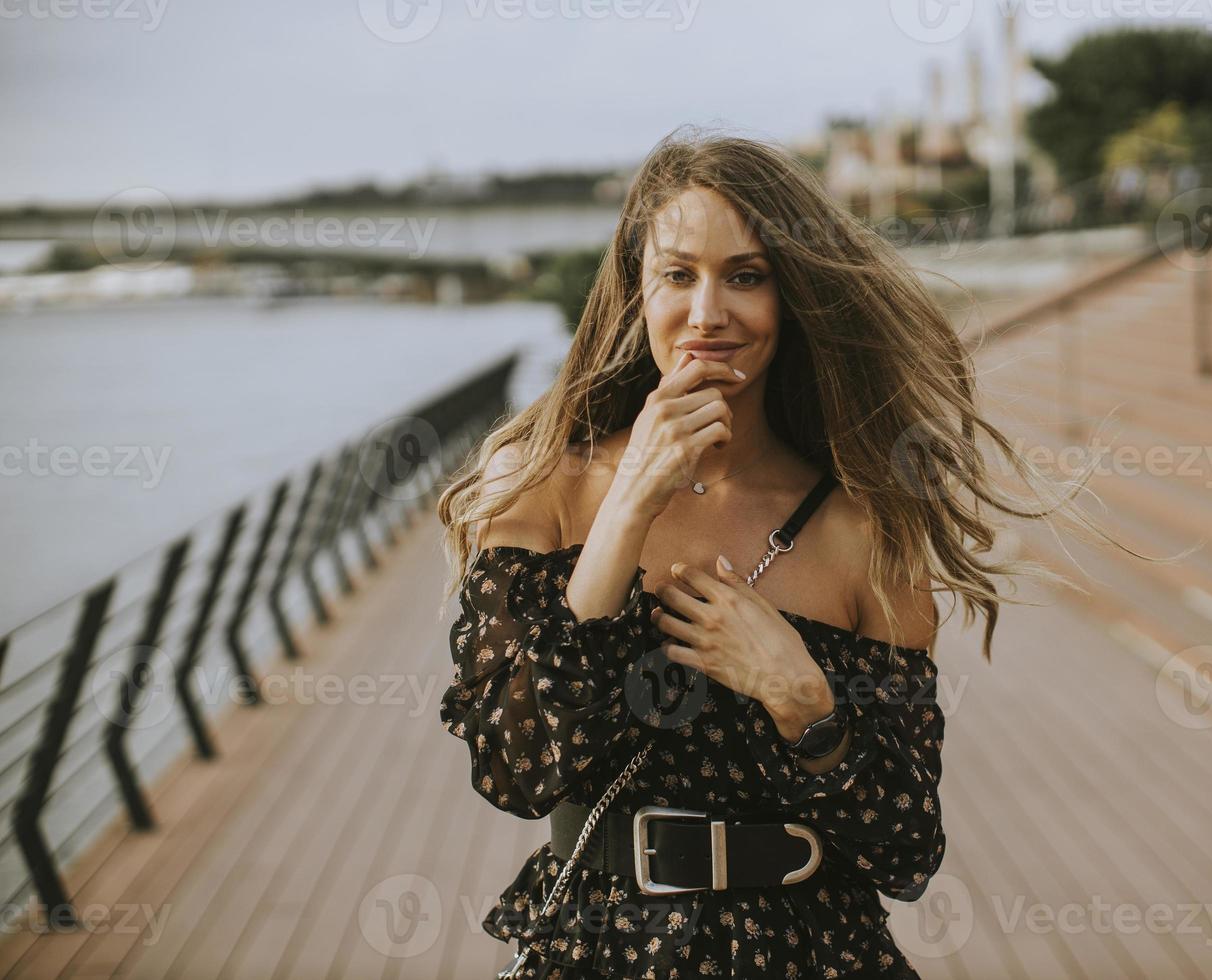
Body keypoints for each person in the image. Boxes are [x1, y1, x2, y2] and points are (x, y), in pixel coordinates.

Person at [436, 127, 1114, 978]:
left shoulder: (865, 531)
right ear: (636, 293)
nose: (708, 312)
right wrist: (629, 506)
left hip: (813, 951)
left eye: (746, 277)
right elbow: (515, 764)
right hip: (601, 949)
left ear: (790, 300)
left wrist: (804, 701)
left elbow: (905, 849)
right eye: (678, 275)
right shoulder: (541, 486)